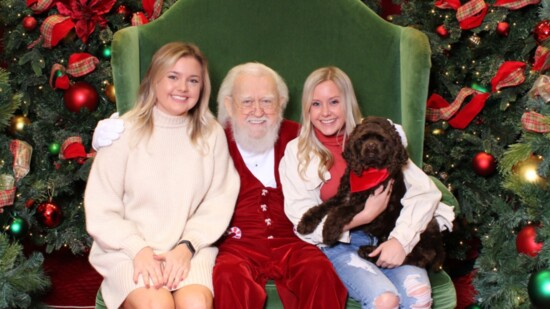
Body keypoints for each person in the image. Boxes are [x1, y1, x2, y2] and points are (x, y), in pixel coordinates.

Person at [279, 66, 455, 308]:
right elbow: (302, 221)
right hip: (339, 245)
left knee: (419, 294)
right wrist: (364, 216)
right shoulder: (296, 152)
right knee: (385, 300)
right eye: (316, 104)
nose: (326, 112)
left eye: (334, 102)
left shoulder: (378, 134)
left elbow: (424, 192)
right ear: (307, 109)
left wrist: (399, 241)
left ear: (348, 103)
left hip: (387, 234)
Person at [84, 42, 240, 309]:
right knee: (157, 304)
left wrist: (186, 247)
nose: (183, 88)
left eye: (193, 80)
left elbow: (218, 201)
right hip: (127, 250)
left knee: (196, 304)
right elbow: (102, 209)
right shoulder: (122, 131)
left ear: (202, 87)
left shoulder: (211, 133)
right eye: (173, 77)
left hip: (188, 249)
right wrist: (138, 249)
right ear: (154, 80)